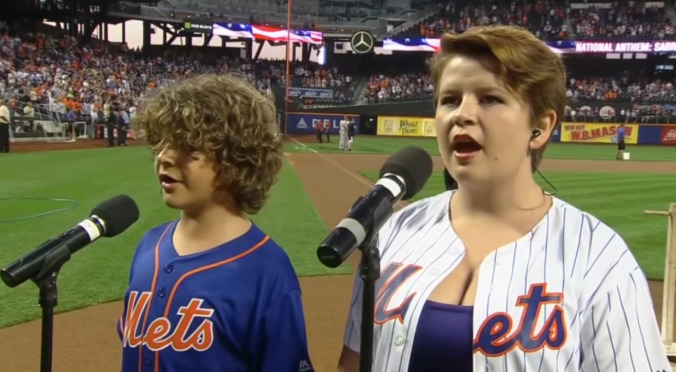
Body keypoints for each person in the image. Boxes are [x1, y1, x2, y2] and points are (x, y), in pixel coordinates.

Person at [336, 25, 670, 372]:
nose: (461, 114)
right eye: (449, 99)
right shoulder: (391, 233)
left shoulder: (600, 259)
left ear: (539, 127)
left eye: (490, 98)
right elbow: (353, 365)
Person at [117, 73, 314, 372]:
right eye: (163, 143)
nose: (164, 157)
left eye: (188, 148)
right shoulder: (149, 246)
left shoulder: (267, 271)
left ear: (235, 159)